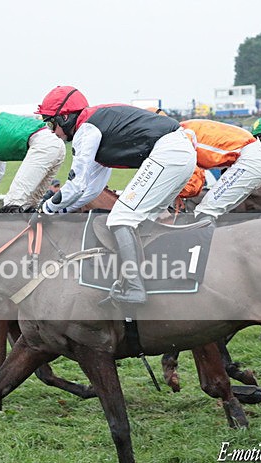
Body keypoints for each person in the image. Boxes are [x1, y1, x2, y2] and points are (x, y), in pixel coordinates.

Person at [38, 85, 197, 305]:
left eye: (51, 123)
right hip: (180, 153)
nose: (52, 132)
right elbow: (91, 190)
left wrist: (45, 209)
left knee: (121, 218)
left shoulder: (87, 129)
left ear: (64, 118)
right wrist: (61, 210)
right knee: (142, 223)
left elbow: (76, 184)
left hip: (170, 152)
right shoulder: (97, 127)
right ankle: (150, 282)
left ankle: (134, 288)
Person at [178, 118, 261, 222]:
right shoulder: (180, 131)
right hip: (251, 157)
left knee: (205, 211)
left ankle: (198, 238)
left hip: (250, 160)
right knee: (210, 208)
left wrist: (176, 195)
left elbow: (194, 184)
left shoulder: (180, 138)